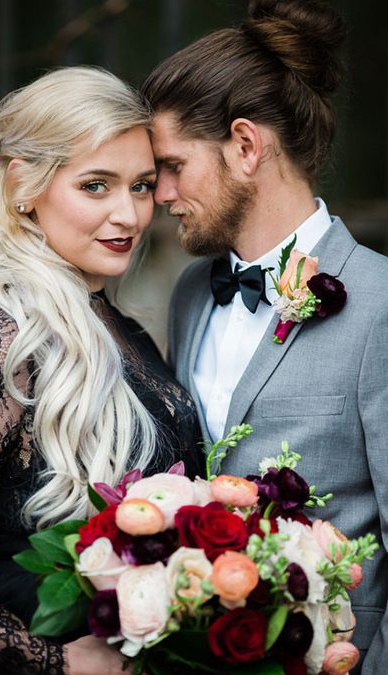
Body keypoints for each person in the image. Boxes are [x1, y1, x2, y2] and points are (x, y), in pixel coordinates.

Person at [0, 66, 201, 675]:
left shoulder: (125, 335)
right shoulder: (1, 340)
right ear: (24, 185)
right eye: (96, 186)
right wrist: (49, 660)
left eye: (142, 185)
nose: (128, 215)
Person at [142, 0, 388, 672]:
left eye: (173, 165)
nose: (160, 194)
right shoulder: (192, 295)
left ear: (246, 147)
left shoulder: (379, 303)